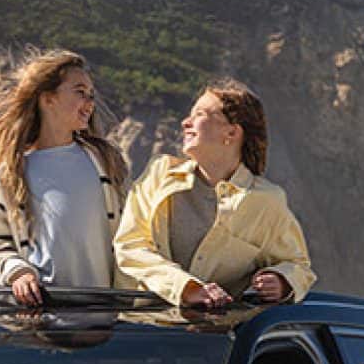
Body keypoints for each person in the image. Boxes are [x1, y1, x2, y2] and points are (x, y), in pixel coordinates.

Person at [113, 79, 314, 309]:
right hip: (140, 327)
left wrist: (281, 280)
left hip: (212, 337)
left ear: (231, 132)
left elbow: (298, 266)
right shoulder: (159, 175)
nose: (185, 122)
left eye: (199, 114)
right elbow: (130, 245)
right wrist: (185, 288)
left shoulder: (266, 201)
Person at [0, 50, 130, 307]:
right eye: (80, 92)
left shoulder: (105, 161)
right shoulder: (13, 173)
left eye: (91, 95)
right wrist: (18, 272)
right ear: (48, 98)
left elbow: (135, 231)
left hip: (107, 316)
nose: (90, 102)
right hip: (44, 320)